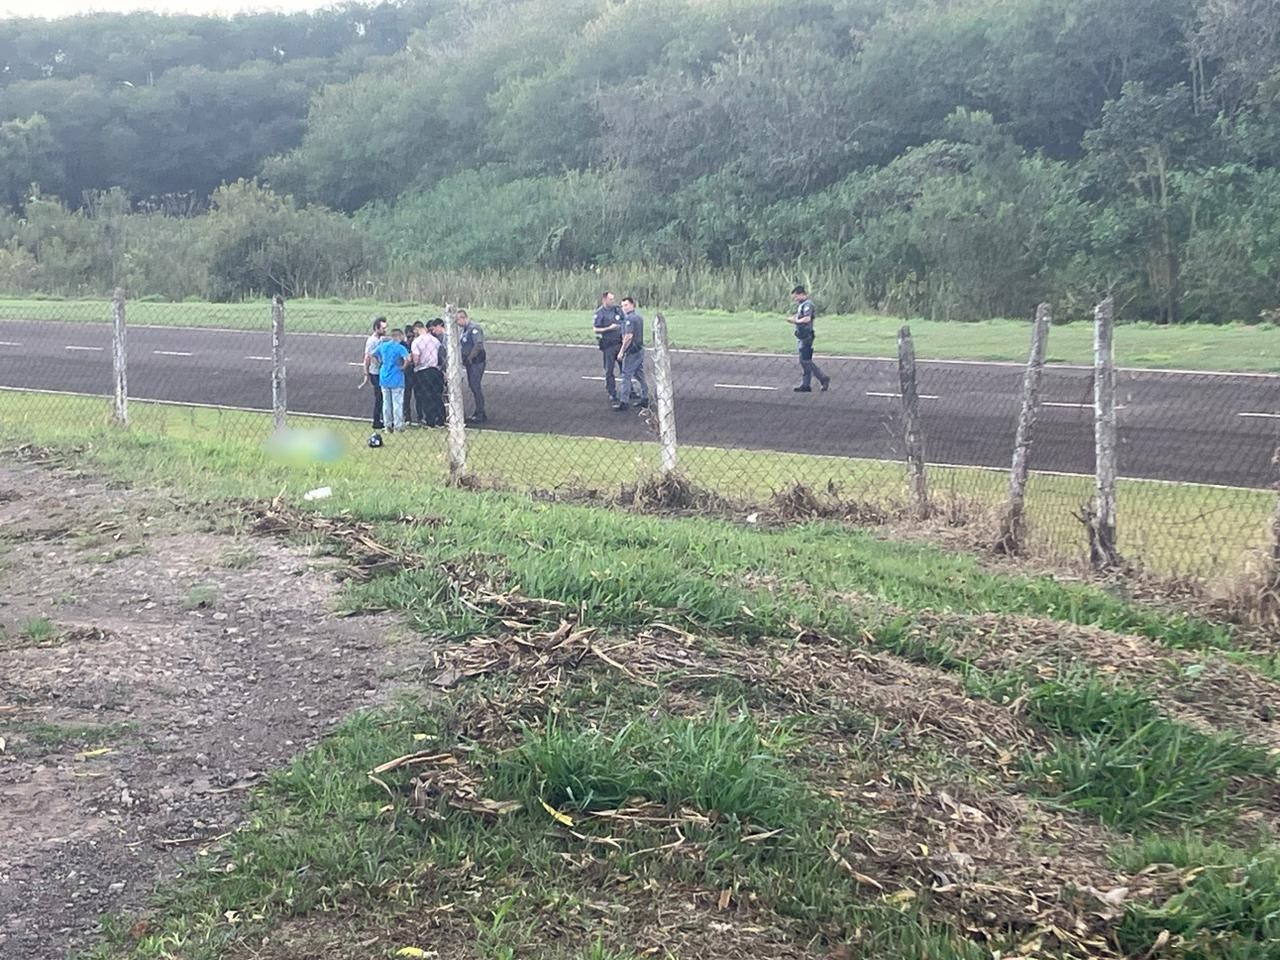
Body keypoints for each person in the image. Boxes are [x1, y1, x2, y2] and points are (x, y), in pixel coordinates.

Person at [788, 285, 830, 392]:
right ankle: (806, 384)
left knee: (806, 361)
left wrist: (795, 321)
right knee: (804, 361)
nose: (795, 300)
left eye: (796, 297)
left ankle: (823, 378)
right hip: (801, 335)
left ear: (801, 294)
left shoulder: (808, 305)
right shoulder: (802, 305)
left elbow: (807, 319)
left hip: (806, 336)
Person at [614, 296, 649, 411]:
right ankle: (645, 398)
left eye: (626, 305)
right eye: (622, 305)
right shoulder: (638, 317)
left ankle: (624, 401)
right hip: (639, 349)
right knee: (639, 374)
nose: (624, 308)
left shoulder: (629, 319)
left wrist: (621, 351)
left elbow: (628, 336)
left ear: (633, 305)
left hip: (632, 351)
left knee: (626, 375)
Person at [373, 328, 411, 433]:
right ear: (399, 336)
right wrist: (403, 367)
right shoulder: (400, 348)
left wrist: (380, 361)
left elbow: (373, 354)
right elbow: (408, 359)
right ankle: (398, 426)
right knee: (397, 403)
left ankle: (387, 425)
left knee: (386, 403)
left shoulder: (384, 346)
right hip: (396, 377)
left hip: (384, 377)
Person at [592, 291, 625, 404]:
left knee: (625, 369)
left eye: (613, 299)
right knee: (609, 370)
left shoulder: (617, 309)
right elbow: (596, 329)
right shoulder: (600, 313)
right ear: (604, 300)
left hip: (620, 343)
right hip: (608, 345)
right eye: (610, 299)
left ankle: (629, 390)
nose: (612, 301)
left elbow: (623, 320)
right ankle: (612, 392)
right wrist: (609, 328)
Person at [413, 318, 446, 426]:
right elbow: (440, 355)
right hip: (435, 370)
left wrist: (414, 364)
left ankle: (430, 420)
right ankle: (441, 419)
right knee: (437, 395)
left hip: (423, 371)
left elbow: (416, 359)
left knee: (426, 396)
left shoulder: (416, 342)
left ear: (416, 329)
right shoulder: (435, 340)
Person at [456, 309, 487, 424]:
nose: (457, 323)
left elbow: (478, 345)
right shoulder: (465, 329)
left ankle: (481, 412)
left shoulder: (474, 328)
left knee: (475, 386)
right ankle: (478, 411)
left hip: (476, 361)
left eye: (457, 320)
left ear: (463, 318)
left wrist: (470, 357)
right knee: (473, 386)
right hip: (470, 362)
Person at [361, 316, 388, 428]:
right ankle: (376, 421)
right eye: (383, 328)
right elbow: (367, 357)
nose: (385, 330)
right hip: (375, 372)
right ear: (376, 328)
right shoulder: (372, 341)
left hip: (380, 371)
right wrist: (366, 373)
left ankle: (381, 419)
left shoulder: (380, 340)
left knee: (382, 396)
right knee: (379, 397)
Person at [401, 323, 418, 425]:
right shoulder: (402, 345)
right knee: (406, 396)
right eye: (408, 337)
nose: (410, 339)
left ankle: (420, 416)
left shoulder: (416, 343)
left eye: (412, 336)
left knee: (418, 395)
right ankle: (407, 417)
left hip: (415, 373)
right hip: (406, 373)